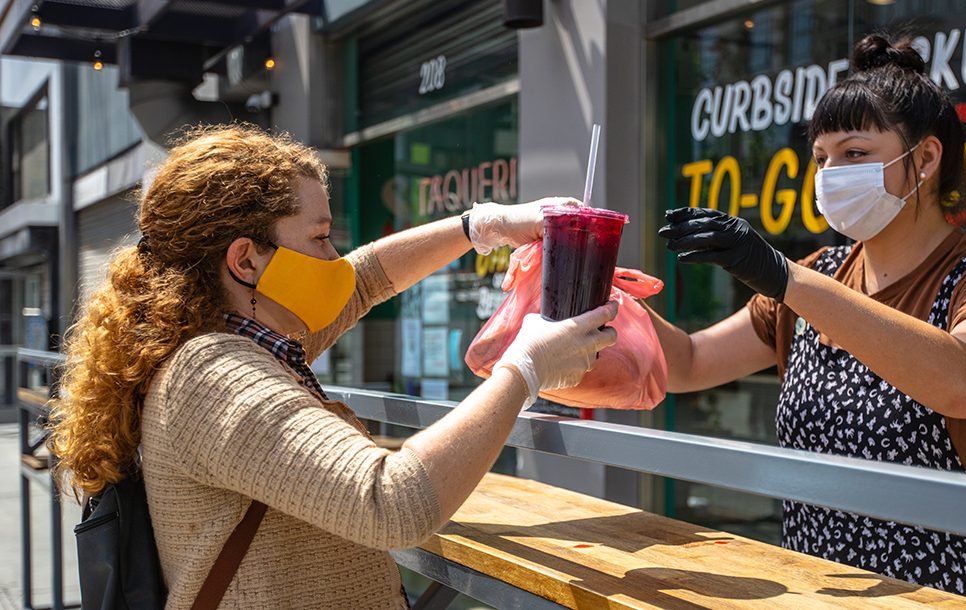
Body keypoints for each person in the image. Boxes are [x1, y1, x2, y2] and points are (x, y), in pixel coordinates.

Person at [48, 125, 617, 609]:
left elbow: (363, 279)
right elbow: (390, 501)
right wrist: (525, 366)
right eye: (320, 237)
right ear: (246, 259)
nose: (333, 258)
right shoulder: (211, 373)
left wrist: (477, 227)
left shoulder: (232, 334)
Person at [647, 35, 966, 608]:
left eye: (854, 154)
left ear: (924, 159)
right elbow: (689, 363)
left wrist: (785, 280)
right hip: (828, 591)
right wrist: (600, 285)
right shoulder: (818, 272)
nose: (830, 175)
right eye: (821, 159)